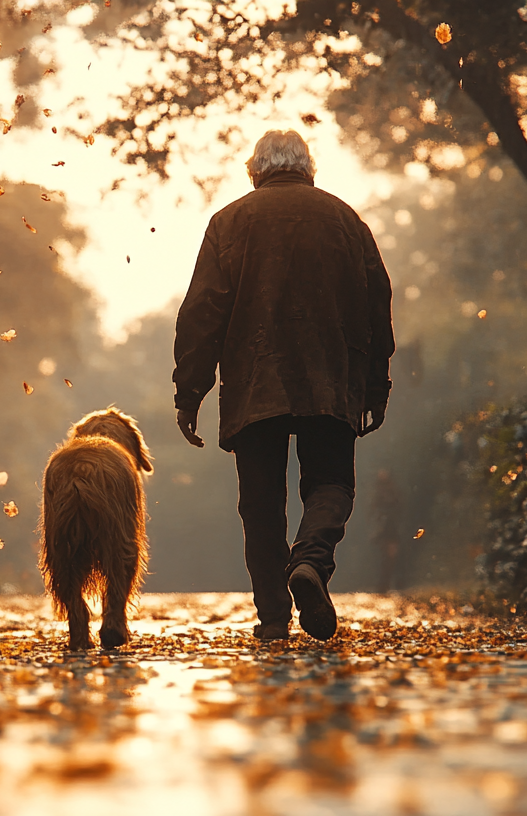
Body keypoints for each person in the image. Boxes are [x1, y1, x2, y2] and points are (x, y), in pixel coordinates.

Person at [172, 129, 394, 641]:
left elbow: (203, 312)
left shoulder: (229, 222)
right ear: (309, 169)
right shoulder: (346, 221)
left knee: (261, 503)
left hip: (256, 385)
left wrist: (190, 391)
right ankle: (311, 562)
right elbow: (377, 304)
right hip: (330, 380)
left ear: (255, 171)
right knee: (331, 483)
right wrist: (375, 385)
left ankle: (273, 618)